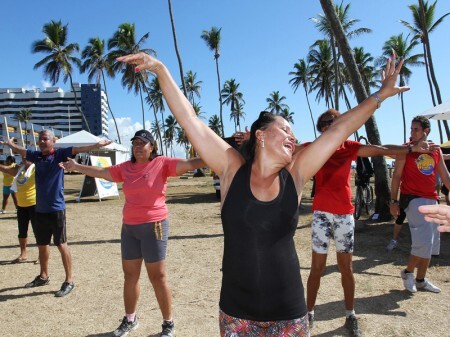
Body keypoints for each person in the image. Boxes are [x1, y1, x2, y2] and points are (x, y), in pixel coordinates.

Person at [117, 52, 407, 337]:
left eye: (293, 133)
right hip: (236, 313)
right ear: (261, 135)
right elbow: (190, 119)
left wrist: (380, 96)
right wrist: (160, 69)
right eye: (285, 129)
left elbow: (339, 130)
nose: (292, 137)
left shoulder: (296, 174)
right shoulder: (231, 169)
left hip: (289, 313)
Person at [59, 129, 204, 337]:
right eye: (135, 144)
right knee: (130, 276)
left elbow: (190, 164)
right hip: (129, 228)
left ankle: (168, 324)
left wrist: (211, 156)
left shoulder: (162, 163)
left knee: (158, 277)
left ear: (151, 146)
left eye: (142, 143)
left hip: (154, 225)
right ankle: (130, 319)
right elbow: (102, 173)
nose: (137, 147)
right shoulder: (126, 168)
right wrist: (76, 166)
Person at [302, 109, 433, 336]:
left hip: (344, 215)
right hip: (322, 214)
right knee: (317, 268)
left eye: (333, 122)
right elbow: (286, 151)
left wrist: (411, 148)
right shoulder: (314, 146)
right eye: (323, 123)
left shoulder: (350, 147)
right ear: (319, 127)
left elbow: (382, 150)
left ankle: (350, 315)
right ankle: (309, 313)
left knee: (346, 268)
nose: (328, 126)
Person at [0, 130, 111, 297]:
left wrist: (96, 145)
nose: (42, 142)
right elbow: (21, 151)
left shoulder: (59, 154)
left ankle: (69, 281)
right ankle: (43, 276)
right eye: (40, 139)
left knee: (61, 244)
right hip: (40, 209)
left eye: (45, 139)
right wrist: (9, 144)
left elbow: (77, 150)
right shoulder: (36, 156)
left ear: (53, 141)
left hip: (56, 209)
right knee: (42, 244)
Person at [390, 116, 450, 294]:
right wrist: (393, 201)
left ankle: (421, 279)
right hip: (413, 199)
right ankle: (408, 272)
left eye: (416, 130)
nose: (412, 133)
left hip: (432, 198)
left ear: (426, 131)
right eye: (411, 129)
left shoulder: (435, 150)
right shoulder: (406, 149)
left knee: (431, 244)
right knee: (423, 242)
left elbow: (445, 176)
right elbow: (396, 176)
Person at [0, 155, 36, 263]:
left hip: (34, 204)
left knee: (38, 232)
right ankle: (23, 253)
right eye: (23, 158)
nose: (24, 159)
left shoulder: (36, 168)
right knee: (22, 231)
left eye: (26, 157)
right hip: (21, 205)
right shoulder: (19, 169)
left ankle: (41, 254)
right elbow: (6, 169)